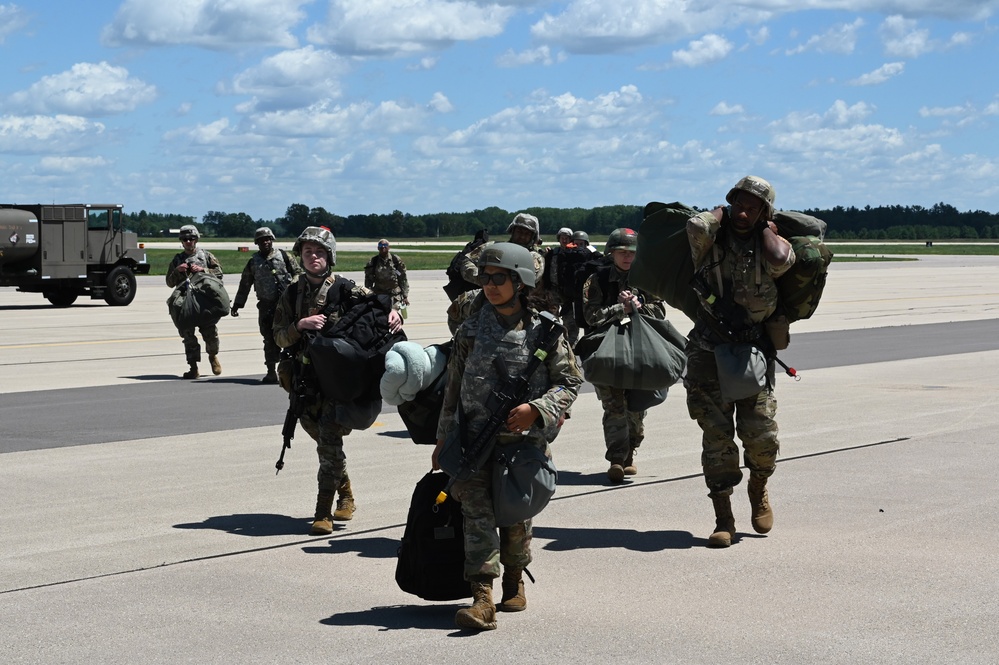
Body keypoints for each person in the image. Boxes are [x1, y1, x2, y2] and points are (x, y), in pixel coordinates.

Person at [432, 242, 581, 632]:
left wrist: (537, 409)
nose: (491, 285)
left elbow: (569, 381)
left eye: (500, 278)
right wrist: (443, 439)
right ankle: (482, 599)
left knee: (516, 516)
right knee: (475, 514)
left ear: (520, 281)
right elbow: (453, 388)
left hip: (522, 444)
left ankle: (514, 579)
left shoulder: (545, 331)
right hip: (473, 441)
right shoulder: (470, 329)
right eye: (485, 278)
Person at [683, 175, 795, 548]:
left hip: (751, 350)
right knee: (716, 437)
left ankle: (759, 487)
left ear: (765, 212)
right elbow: (696, 225)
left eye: (753, 207)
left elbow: (780, 261)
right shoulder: (710, 239)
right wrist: (722, 213)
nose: (743, 212)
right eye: (738, 204)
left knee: (761, 434)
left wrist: (764, 227)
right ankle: (723, 517)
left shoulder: (772, 243)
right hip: (708, 348)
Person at [273, 226, 404, 534]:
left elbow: (379, 307)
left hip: (337, 381)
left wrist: (395, 313)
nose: (313, 257)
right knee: (321, 440)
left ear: (329, 256)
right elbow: (278, 335)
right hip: (306, 382)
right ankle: (345, 491)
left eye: (319, 252)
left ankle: (323, 513)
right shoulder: (291, 293)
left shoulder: (347, 289)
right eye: (307, 253)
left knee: (329, 444)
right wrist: (300, 325)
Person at [581, 228, 667, 482]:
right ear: (612, 253)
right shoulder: (596, 280)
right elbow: (590, 316)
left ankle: (630, 451)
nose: (627, 257)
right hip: (607, 349)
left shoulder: (647, 278)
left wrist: (639, 306)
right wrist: (620, 308)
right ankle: (617, 459)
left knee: (637, 407)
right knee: (614, 406)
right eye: (622, 252)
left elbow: (660, 312)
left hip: (639, 348)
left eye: (631, 252)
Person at [231, 227, 303, 383]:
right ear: (257, 243)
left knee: (291, 336)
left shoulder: (285, 257)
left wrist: (293, 284)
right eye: (262, 240)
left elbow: (298, 272)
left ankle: (293, 369)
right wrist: (237, 304)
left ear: (272, 240)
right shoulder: (253, 263)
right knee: (269, 339)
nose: (266, 242)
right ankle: (271, 371)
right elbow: (245, 284)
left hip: (286, 305)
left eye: (268, 239)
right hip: (266, 306)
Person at [166, 224, 224, 379]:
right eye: (185, 239)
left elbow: (219, 273)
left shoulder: (206, 256)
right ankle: (193, 367)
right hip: (186, 303)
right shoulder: (177, 259)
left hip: (204, 301)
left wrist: (203, 270)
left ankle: (213, 356)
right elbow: (169, 282)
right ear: (181, 241)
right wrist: (177, 271)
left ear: (196, 239)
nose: (188, 242)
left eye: (191, 239)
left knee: (210, 333)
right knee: (188, 336)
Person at [364, 238, 410, 313]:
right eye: (381, 245)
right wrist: (368, 294)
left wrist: (405, 296)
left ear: (389, 247)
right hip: (379, 294)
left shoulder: (396, 260)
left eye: (385, 245)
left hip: (394, 295)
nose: (383, 247)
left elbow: (402, 278)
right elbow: (368, 279)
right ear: (378, 248)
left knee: (392, 315)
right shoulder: (373, 262)